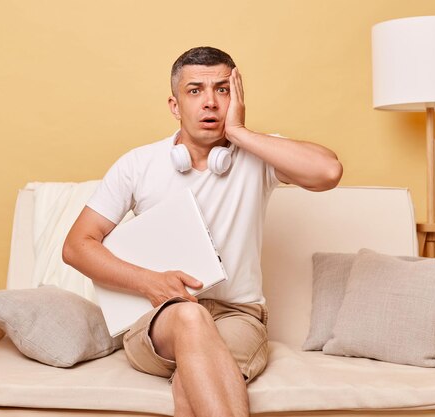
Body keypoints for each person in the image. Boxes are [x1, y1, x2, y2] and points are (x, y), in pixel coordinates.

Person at [63, 46, 342, 417]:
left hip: (236, 315)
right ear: (175, 105)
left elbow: (328, 172)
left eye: (222, 90)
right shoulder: (138, 164)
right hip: (159, 318)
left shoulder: (259, 154)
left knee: (190, 383)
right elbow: (77, 246)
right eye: (195, 91)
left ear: (237, 98)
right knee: (190, 317)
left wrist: (240, 133)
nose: (210, 102)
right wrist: (148, 282)